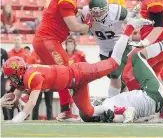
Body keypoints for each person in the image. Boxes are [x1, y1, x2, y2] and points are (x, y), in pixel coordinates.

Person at [1, 19, 146, 123]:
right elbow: (15, 96)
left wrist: (19, 117)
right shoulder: (22, 77)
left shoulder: (32, 76)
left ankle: (130, 28)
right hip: (74, 85)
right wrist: (4, 101)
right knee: (88, 112)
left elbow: (31, 103)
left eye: (12, 76)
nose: (11, 79)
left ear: (19, 71)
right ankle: (123, 110)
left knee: (114, 62)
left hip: (80, 72)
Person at [33, 0, 90, 122]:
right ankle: (66, 111)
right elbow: (75, 27)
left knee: (56, 75)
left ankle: (25, 96)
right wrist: (89, 25)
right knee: (66, 73)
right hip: (48, 41)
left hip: (46, 41)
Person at [77, 0, 144, 97]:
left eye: (101, 11)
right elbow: (76, 26)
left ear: (107, 8)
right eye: (95, 12)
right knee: (118, 80)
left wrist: (135, 16)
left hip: (122, 46)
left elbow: (131, 19)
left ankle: (112, 104)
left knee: (115, 75)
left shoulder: (117, 11)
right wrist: (82, 21)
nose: (98, 14)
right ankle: (124, 101)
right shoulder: (86, 12)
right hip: (104, 50)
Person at [0, 48, 11, 120]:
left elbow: (7, 66)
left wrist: (7, 81)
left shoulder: (3, 52)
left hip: (1, 77)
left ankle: (7, 118)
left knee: (3, 97)